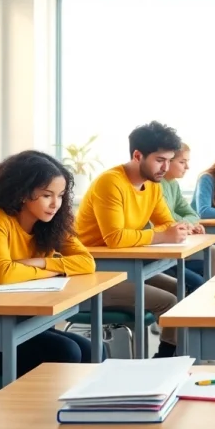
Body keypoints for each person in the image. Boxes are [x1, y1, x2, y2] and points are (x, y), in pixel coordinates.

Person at [0, 150, 99, 376]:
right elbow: (4, 274)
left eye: (60, 196)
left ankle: (72, 410)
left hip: (24, 326)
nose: (55, 204)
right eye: (47, 195)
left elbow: (87, 263)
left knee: (93, 350)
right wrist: (54, 270)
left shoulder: (51, 223)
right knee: (67, 352)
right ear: (23, 193)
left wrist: (40, 262)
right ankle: (28, 408)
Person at [76, 121, 191, 358]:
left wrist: (178, 228)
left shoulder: (152, 185)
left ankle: (176, 357)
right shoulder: (111, 183)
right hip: (92, 274)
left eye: (169, 160)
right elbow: (115, 238)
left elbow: (166, 222)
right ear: (138, 155)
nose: (165, 167)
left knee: (183, 289)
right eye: (160, 160)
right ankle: (165, 362)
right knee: (169, 300)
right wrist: (162, 236)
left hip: (124, 267)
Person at [160, 143, 215, 294]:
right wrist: (186, 225)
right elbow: (166, 215)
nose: (187, 167)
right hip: (164, 249)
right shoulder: (155, 184)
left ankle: (211, 298)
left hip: (176, 243)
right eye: (182, 162)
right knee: (198, 280)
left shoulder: (173, 184)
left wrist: (188, 224)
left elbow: (192, 214)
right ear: (167, 162)